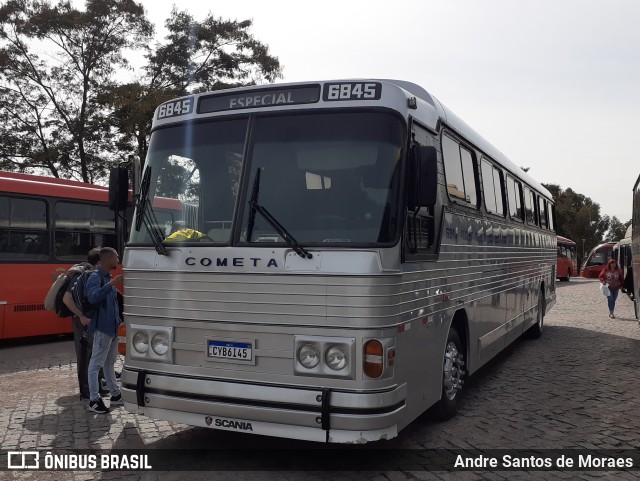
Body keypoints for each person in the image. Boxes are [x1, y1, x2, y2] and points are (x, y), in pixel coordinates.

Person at [86, 247, 124, 414]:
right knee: (96, 364)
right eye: (116, 258)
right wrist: (112, 284)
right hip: (103, 328)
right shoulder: (96, 276)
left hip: (113, 327)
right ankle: (94, 400)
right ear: (109, 259)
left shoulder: (107, 277)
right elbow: (92, 297)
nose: (118, 261)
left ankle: (115, 395)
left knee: (109, 363)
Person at [62, 247, 101, 400]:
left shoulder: (92, 275)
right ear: (99, 262)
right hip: (81, 322)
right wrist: (81, 316)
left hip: (90, 321)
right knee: (85, 356)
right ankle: (85, 391)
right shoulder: (80, 276)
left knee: (94, 355)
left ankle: (95, 386)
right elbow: (67, 299)